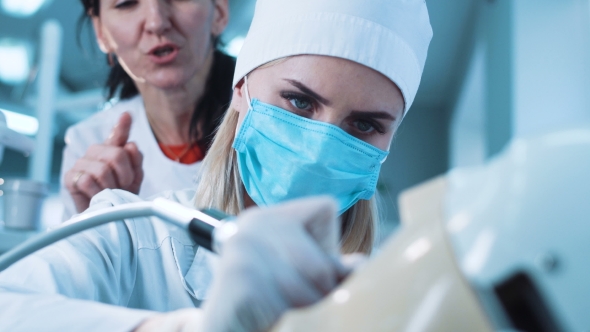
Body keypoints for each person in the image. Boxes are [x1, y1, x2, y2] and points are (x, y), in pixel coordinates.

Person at [0, 0, 432, 330]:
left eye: (364, 125)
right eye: (299, 101)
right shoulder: (132, 233)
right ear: (241, 90)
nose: (321, 147)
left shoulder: (403, 297)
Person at [60, 0, 235, 220]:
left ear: (219, 10)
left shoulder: (273, 115)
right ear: (101, 32)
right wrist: (97, 226)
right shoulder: (88, 146)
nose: (156, 22)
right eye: (126, 3)